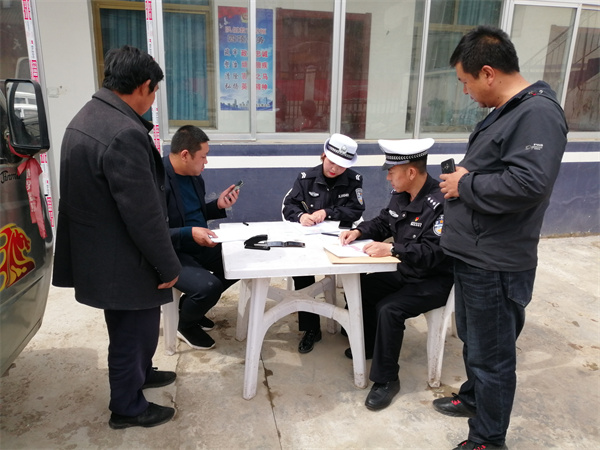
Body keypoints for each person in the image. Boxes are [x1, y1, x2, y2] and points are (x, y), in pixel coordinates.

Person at [434, 26, 568, 450]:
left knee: (492, 357)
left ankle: (488, 440)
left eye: (466, 82)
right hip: (474, 252)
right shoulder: (509, 111)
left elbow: (529, 184)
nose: (466, 91)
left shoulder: (537, 114)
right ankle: (474, 398)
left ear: (488, 73)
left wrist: (464, 184)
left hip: (495, 261)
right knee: (475, 343)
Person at [52, 45, 181, 429]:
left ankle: (141, 373)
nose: (153, 100)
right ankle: (128, 407)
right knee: (132, 333)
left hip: (101, 252)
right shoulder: (124, 133)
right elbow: (143, 213)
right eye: (154, 92)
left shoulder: (87, 117)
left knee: (131, 329)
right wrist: (168, 265)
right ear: (143, 86)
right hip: (124, 258)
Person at [339, 138, 454, 411]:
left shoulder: (442, 203)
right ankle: (370, 344)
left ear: (411, 172)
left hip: (433, 279)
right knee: (363, 286)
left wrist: (392, 248)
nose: (388, 177)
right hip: (406, 269)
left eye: (391, 172)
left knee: (389, 309)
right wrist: (359, 231)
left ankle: (387, 380)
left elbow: (434, 252)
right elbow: (383, 221)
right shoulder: (401, 194)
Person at [282, 133, 364, 353]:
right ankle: (311, 328)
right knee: (302, 272)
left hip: (340, 238)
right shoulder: (305, 178)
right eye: (331, 162)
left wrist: (327, 212)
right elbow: (289, 206)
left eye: (341, 165)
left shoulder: (354, 180)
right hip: (309, 238)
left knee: (357, 270)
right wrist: (301, 216)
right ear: (323, 156)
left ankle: (350, 320)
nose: (335, 169)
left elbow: (356, 210)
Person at [164, 125, 239, 350]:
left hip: (199, 242)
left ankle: (191, 307)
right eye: (203, 157)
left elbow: (194, 214)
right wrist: (189, 233)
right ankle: (185, 324)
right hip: (171, 250)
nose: (206, 162)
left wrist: (218, 205)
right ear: (185, 155)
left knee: (240, 264)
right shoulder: (155, 180)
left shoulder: (195, 177)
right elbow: (149, 231)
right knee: (208, 287)